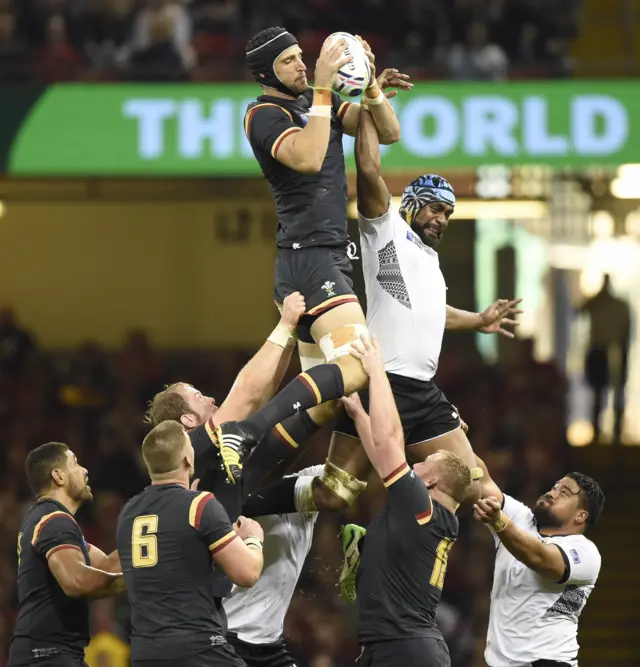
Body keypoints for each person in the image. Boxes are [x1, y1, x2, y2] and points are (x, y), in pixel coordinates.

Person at [216, 27, 412, 513]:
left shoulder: (309, 98)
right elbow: (305, 157)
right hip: (310, 259)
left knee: (325, 402)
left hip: (325, 256)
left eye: (301, 56)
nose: (302, 65)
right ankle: (246, 432)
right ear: (265, 73)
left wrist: (368, 86)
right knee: (361, 363)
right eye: (289, 61)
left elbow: (388, 132)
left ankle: (239, 491)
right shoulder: (263, 114)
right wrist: (325, 90)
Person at [339, 336, 472, 667]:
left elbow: (389, 444)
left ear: (431, 481)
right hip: (398, 647)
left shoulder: (423, 508)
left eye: (423, 464)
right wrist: (359, 416)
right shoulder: (431, 516)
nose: (415, 464)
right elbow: (384, 459)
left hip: (404, 650)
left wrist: (377, 371)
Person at [116, 420, 265, 667]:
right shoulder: (200, 506)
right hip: (198, 648)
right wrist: (253, 539)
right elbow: (247, 573)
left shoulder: (128, 512)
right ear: (187, 460)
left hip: (146, 653)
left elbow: (172, 553)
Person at [475, 462, 605, 667]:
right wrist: (452, 430)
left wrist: (499, 522)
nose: (552, 493)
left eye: (565, 492)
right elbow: (480, 479)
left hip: (550, 662)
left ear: (581, 515)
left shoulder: (585, 552)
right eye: (554, 487)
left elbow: (540, 558)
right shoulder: (522, 520)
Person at [9, 442, 125, 667]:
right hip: (47, 656)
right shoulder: (55, 521)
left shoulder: (48, 520)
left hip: (47, 654)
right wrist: (140, 578)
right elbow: (77, 580)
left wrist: (155, 532)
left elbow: (109, 565)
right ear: (58, 476)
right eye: (76, 463)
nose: (84, 470)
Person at [224, 465, 323, 667]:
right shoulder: (227, 494)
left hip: (270, 646)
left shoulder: (307, 480)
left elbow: (343, 481)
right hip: (225, 640)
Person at [580, 273, 630, 445]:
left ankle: (616, 432)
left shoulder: (619, 305)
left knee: (617, 394)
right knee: (598, 394)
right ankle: (597, 432)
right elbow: (581, 309)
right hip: (599, 350)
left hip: (615, 349)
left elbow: (627, 328)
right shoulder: (597, 304)